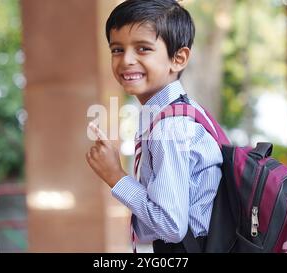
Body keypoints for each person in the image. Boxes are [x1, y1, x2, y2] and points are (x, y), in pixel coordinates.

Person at [85, 0, 223, 253]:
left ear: (178, 58)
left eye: (143, 49)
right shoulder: (181, 112)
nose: (126, 60)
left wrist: (115, 175)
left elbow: (171, 225)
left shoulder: (170, 128)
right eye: (117, 49)